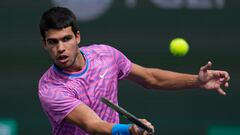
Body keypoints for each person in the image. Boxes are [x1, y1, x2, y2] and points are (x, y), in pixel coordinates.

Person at [38, 7, 230, 135]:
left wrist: (197, 81)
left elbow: (150, 78)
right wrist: (130, 130)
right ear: (45, 45)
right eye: (53, 42)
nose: (61, 48)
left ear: (78, 37)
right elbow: (93, 125)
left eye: (66, 39)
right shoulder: (51, 89)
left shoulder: (105, 55)